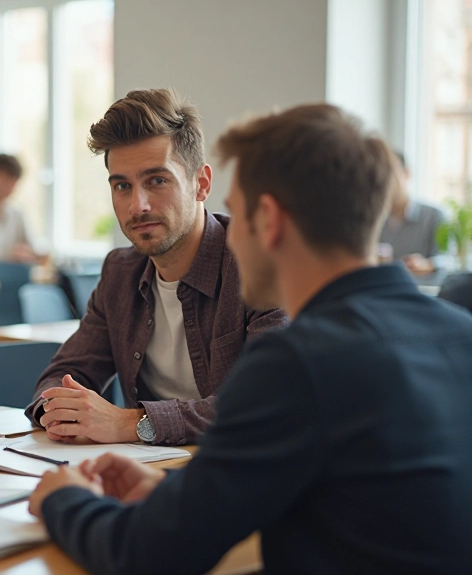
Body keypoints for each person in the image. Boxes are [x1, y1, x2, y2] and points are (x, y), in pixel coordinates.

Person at [28, 103, 472, 574]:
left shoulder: (298, 362)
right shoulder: (460, 331)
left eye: (236, 214)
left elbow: (144, 555)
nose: (229, 235)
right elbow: (349, 499)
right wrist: (176, 492)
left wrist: (64, 498)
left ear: (269, 220)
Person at [27, 89, 287, 446]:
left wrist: (130, 423)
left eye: (157, 181)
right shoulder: (120, 273)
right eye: (122, 186)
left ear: (201, 184)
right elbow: (66, 371)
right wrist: (58, 409)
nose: (138, 206)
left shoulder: (261, 268)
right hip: (146, 471)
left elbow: (264, 403)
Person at [379, 149, 445, 275]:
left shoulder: (434, 215)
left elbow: (449, 259)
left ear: (407, 173)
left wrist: (429, 264)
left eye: (390, 173)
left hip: (422, 285)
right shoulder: (373, 219)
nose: (384, 181)